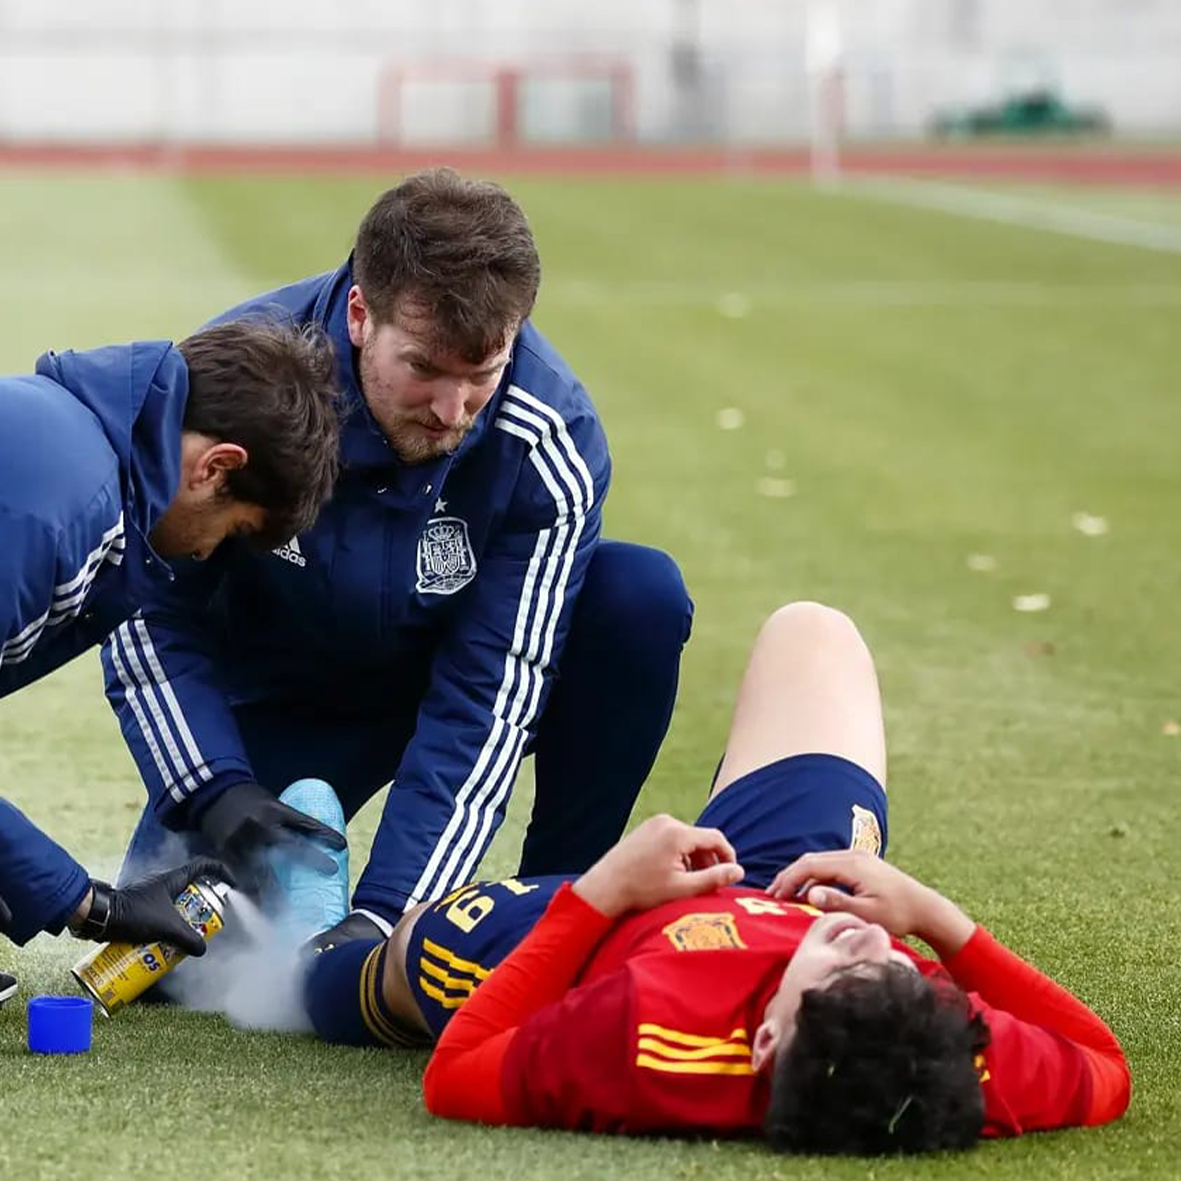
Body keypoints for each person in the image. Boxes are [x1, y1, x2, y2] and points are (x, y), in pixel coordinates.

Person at [104, 167, 693, 950]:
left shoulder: (551, 439)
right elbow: (139, 598)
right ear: (358, 313)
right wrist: (214, 788)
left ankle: (558, 916)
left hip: (444, 673)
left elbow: (490, 691)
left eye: (481, 373)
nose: (452, 410)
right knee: (181, 957)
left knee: (638, 596)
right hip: (281, 692)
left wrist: (391, 913)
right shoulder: (236, 380)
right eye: (423, 367)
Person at [303, 602, 1130, 1154]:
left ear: (765, 1041)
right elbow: (1103, 1066)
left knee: (417, 947)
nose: (872, 938)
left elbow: (455, 1074)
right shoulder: (951, 1062)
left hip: (602, 943)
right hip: (783, 883)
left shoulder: (641, 1038)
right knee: (814, 633)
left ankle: (304, 945)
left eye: (842, 965)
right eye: (897, 966)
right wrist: (938, 919)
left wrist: (602, 891)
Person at [0, 320, 342, 990]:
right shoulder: (65, 505)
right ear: (217, 466)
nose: (207, 552)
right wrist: (93, 904)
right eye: (233, 530)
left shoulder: (73, 458)